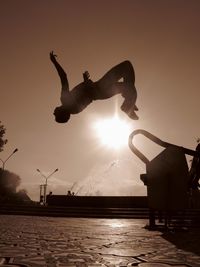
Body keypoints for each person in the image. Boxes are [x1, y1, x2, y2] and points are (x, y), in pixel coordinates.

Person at [50, 51, 138, 123]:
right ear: (61, 113)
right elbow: (63, 77)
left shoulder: (72, 108)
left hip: (100, 89)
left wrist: (85, 82)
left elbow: (85, 95)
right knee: (127, 71)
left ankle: (129, 102)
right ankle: (128, 104)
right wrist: (54, 62)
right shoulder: (67, 102)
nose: (53, 113)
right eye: (55, 114)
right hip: (101, 89)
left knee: (127, 69)